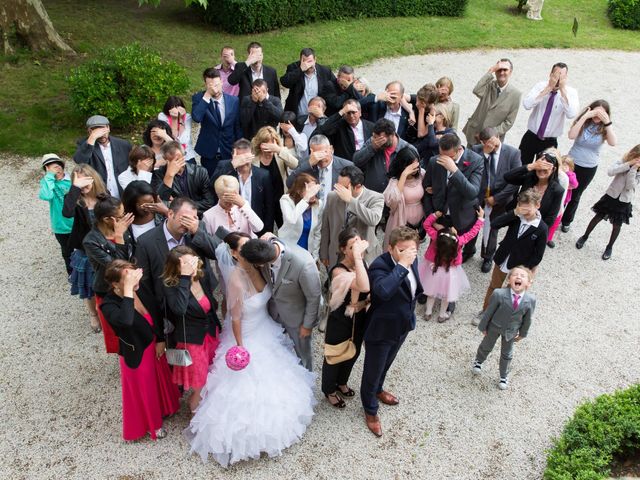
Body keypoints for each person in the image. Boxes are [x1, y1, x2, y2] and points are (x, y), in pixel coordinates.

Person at [185, 234, 315, 467]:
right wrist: (240, 347)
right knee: (245, 386)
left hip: (266, 326)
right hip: (245, 334)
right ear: (234, 253)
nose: (252, 249)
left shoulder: (259, 266)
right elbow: (235, 318)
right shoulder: (236, 279)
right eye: (245, 247)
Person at [100, 260, 180, 441]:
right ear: (115, 284)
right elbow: (126, 321)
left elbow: (156, 312)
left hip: (153, 344)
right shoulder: (108, 305)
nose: (134, 280)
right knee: (146, 389)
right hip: (137, 352)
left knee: (159, 381)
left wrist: (160, 339)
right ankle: (154, 425)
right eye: (127, 277)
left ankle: (165, 408)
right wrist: (128, 291)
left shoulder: (140, 289)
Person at [360, 226, 423, 437]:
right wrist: (403, 265)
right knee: (372, 370)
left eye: (412, 250)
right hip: (381, 330)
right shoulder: (380, 266)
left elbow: (414, 291)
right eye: (402, 250)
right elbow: (383, 291)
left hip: (402, 326)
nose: (408, 254)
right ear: (391, 248)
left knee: (386, 365)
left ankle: (378, 389)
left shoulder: (413, 259)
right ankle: (370, 409)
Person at [240, 236, 322, 371]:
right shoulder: (267, 246)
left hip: (297, 319)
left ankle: (306, 380)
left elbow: (314, 298)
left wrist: (307, 325)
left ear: (260, 264)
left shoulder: (304, 265)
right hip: (274, 313)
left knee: (303, 354)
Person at [135, 197, 223, 320]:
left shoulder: (197, 228)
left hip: (200, 300)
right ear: (170, 214)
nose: (188, 223)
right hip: (169, 305)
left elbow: (218, 254)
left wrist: (197, 231)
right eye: (184, 218)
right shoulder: (146, 242)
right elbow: (144, 282)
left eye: (192, 219)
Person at [162, 246, 221, 412]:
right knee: (199, 382)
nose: (191, 267)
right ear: (176, 268)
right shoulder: (171, 286)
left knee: (212, 374)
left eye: (193, 262)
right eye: (186, 265)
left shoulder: (201, 277)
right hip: (192, 340)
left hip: (210, 333)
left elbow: (212, 305)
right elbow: (179, 309)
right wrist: (185, 279)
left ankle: (210, 406)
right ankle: (197, 417)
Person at [477, 189, 547, 316]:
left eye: (528, 209)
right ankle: (486, 311)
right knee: (494, 287)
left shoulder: (542, 228)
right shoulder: (516, 217)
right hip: (503, 258)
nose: (524, 212)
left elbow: (538, 255)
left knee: (512, 292)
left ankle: (502, 315)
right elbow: (495, 224)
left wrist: (526, 270)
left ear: (537, 206)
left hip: (519, 267)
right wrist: (514, 213)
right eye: (521, 208)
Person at [321, 229, 370, 408]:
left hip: (359, 319)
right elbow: (363, 285)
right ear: (343, 249)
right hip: (340, 320)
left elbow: (370, 289)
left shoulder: (362, 262)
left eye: (358, 242)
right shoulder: (337, 271)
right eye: (352, 246)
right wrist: (358, 258)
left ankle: (342, 382)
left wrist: (364, 304)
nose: (357, 248)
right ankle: (329, 390)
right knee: (335, 355)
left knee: (353, 352)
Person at [83, 196, 135, 348]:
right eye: (121, 216)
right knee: (118, 335)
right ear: (107, 219)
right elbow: (117, 267)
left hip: (130, 285)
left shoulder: (123, 227)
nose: (125, 219)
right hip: (108, 290)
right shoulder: (91, 241)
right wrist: (119, 237)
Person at [472, 266, 535, 390]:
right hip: (495, 326)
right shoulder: (499, 294)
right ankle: (478, 361)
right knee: (486, 345)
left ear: (528, 283)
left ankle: (503, 375)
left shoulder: (530, 300)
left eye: (522, 276)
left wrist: (523, 333)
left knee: (507, 354)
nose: (518, 277)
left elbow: (528, 318)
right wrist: (483, 326)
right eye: (515, 275)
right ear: (509, 280)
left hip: (511, 331)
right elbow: (489, 311)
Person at [469, 127, 522, 272]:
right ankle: (469, 249)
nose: (493, 148)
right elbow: (470, 171)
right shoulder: (476, 150)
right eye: (488, 145)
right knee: (473, 223)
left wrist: (497, 198)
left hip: (500, 198)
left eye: (495, 144)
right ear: (482, 142)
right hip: (478, 196)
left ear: (498, 136)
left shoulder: (513, 153)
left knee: (492, 227)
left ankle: (487, 256)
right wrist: (484, 155)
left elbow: (515, 181)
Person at [424, 133, 484, 263]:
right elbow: (427, 192)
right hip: (441, 216)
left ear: (459, 150)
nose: (444, 159)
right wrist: (432, 218)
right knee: (436, 251)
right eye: (441, 155)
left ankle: (466, 254)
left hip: (461, 216)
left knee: (456, 253)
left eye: (449, 157)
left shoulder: (476, 161)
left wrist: (455, 171)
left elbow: (472, 192)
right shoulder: (434, 161)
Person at [575, 145, 640, 260]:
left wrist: (634, 169)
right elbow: (611, 172)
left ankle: (609, 247)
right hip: (611, 196)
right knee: (597, 217)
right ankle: (585, 236)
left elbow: (630, 186)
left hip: (624, 201)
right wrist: (628, 164)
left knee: (616, 226)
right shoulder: (622, 161)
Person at [561, 100, 617, 232]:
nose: (598, 115)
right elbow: (571, 135)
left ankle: (567, 220)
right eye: (596, 111)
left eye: (602, 113)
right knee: (562, 188)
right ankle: (554, 215)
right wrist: (585, 116)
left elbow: (613, 142)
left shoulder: (604, 129)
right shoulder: (584, 122)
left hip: (589, 167)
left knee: (576, 194)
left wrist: (608, 122)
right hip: (572, 163)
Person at [419, 209, 484, 322]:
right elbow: (472, 233)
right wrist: (480, 219)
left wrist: (435, 215)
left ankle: (428, 312)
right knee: (446, 296)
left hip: (434, 269)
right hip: (449, 273)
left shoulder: (436, 238)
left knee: (431, 292)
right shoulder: (458, 242)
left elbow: (426, 225)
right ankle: (442, 315)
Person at [62, 164, 105, 333]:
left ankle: (107, 311)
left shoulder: (103, 197)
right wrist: (75, 188)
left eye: (85, 178)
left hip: (104, 248)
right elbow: (67, 212)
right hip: (85, 251)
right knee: (89, 286)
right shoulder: (75, 200)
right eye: (77, 179)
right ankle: (93, 313)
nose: (83, 183)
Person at [320, 165, 384, 266]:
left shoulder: (375, 198)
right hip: (337, 252)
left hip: (364, 254)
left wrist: (351, 201)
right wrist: (323, 253)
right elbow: (325, 227)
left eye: (344, 187)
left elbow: (373, 219)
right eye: (338, 185)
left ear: (358, 186)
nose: (339, 190)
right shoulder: (332, 196)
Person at [210, 138, 275, 236]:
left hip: (255, 226)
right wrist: (233, 164)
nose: (243, 162)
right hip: (232, 226)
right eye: (240, 158)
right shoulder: (225, 166)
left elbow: (269, 206)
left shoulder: (263, 175)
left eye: (246, 158)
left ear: (252, 155)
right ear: (233, 156)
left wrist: (267, 232)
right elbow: (211, 186)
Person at [519, 62, 579, 165]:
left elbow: (571, 114)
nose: (558, 80)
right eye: (556, 76)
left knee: (544, 172)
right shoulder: (540, 86)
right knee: (521, 166)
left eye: (562, 77)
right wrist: (547, 90)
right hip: (531, 136)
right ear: (550, 75)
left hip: (549, 141)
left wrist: (563, 91)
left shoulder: (571, 92)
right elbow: (527, 105)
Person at [191, 68, 242, 177]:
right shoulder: (199, 98)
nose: (215, 88)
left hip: (228, 151)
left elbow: (237, 126)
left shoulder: (233, 100)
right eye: (211, 85)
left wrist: (239, 149)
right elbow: (196, 117)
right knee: (209, 186)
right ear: (205, 84)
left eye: (217, 84)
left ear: (222, 82)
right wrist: (207, 96)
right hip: (209, 153)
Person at [462, 59, 521, 147]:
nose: (501, 73)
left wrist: (488, 134)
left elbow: (508, 122)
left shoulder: (515, 94)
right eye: (499, 70)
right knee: (469, 160)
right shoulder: (489, 85)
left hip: (492, 140)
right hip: (474, 133)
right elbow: (477, 90)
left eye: (505, 70)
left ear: (510, 72)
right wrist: (490, 71)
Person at [251, 126, 299, 228]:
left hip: (280, 198)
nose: (269, 148)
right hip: (263, 202)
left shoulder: (281, 154)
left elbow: (295, 165)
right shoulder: (254, 160)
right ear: (260, 145)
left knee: (284, 228)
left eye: (272, 143)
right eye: (266, 144)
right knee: (265, 229)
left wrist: (278, 150)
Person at [73, 115, 131, 198]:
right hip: (99, 194)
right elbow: (79, 161)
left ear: (108, 128)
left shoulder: (123, 145)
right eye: (97, 131)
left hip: (122, 192)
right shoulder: (84, 144)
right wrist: (92, 139)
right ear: (90, 131)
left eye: (103, 130)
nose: (102, 134)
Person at [503, 149, 564, 230]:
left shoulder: (557, 190)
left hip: (535, 230)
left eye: (545, 168)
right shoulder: (529, 178)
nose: (541, 171)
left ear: (553, 169)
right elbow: (508, 177)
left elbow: (550, 218)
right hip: (517, 223)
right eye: (539, 167)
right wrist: (531, 166)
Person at [353, 118, 418, 193]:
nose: (377, 141)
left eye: (381, 139)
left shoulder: (408, 149)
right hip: (373, 196)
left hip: (398, 198)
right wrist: (372, 147)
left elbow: (416, 176)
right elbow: (356, 161)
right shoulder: (372, 142)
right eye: (374, 137)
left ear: (392, 135)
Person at [286, 134, 354, 204]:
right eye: (317, 154)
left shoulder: (346, 166)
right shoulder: (305, 164)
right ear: (311, 152)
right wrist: (308, 164)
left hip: (335, 211)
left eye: (324, 152)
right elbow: (289, 184)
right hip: (313, 210)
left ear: (331, 149)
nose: (321, 158)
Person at [154, 142, 215, 218]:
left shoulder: (200, 172)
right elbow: (161, 203)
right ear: (165, 160)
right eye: (171, 161)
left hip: (198, 217)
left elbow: (209, 202)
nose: (175, 164)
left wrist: (179, 205)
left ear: (184, 156)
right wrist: (169, 175)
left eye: (177, 159)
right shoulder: (158, 174)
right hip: (174, 218)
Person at [383, 147, 425, 249]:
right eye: (411, 165)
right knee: (398, 248)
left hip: (418, 219)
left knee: (412, 247)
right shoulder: (395, 181)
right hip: (401, 219)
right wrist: (404, 174)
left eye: (416, 164)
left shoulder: (422, 174)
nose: (415, 168)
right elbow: (392, 200)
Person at [39, 153, 74, 274]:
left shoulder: (72, 180)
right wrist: (49, 177)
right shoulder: (47, 183)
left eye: (58, 166)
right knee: (67, 251)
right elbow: (46, 195)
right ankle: (72, 273)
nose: (57, 169)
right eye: (51, 167)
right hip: (61, 225)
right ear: (47, 170)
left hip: (77, 222)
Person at [280, 47, 336, 115]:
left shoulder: (325, 71)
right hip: (298, 115)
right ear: (300, 61)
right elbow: (285, 82)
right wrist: (300, 70)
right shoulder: (293, 68)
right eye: (305, 62)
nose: (308, 65)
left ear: (315, 59)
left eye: (310, 61)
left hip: (317, 115)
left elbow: (336, 87)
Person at [279, 173, 323, 259]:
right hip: (289, 247)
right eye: (309, 189)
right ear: (299, 191)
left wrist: (315, 256)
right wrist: (306, 198)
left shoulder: (318, 204)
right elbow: (291, 219)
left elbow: (317, 232)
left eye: (314, 189)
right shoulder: (286, 200)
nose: (313, 193)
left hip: (307, 249)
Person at [547, 155, 578, 248]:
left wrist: (568, 173)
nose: (564, 167)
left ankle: (549, 238)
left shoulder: (571, 175)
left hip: (562, 202)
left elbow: (575, 184)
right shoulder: (557, 174)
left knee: (556, 221)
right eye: (562, 165)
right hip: (552, 200)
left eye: (566, 165)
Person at [158, 96, 196, 164]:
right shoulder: (163, 116)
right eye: (173, 107)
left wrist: (180, 118)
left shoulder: (187, 117)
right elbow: (171, 137)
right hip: (170, 156)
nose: (176, 110)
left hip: (187, 156)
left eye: (178, 107)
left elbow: (184, 139)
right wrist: (174, 119)